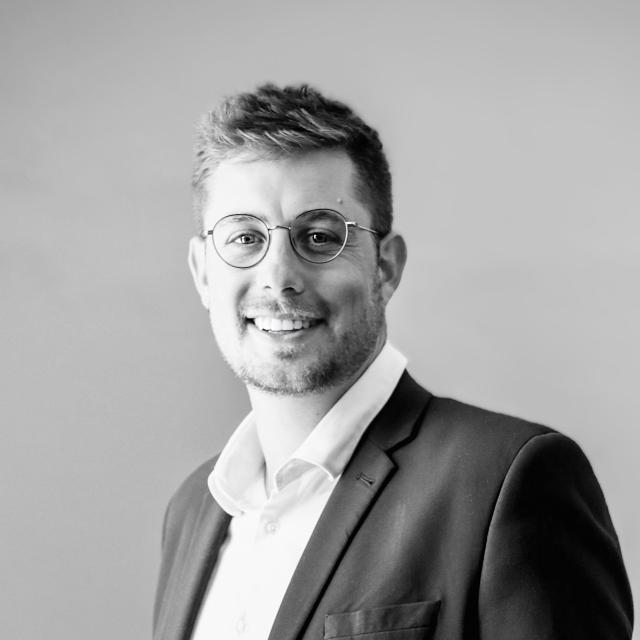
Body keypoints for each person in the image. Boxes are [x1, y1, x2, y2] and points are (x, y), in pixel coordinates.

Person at [153, 83, 633, 640]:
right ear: (203, 272)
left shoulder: (509, 480)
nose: (279, 278)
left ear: (385, 266)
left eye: (318, 237)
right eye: (244, 237)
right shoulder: (191, 510)